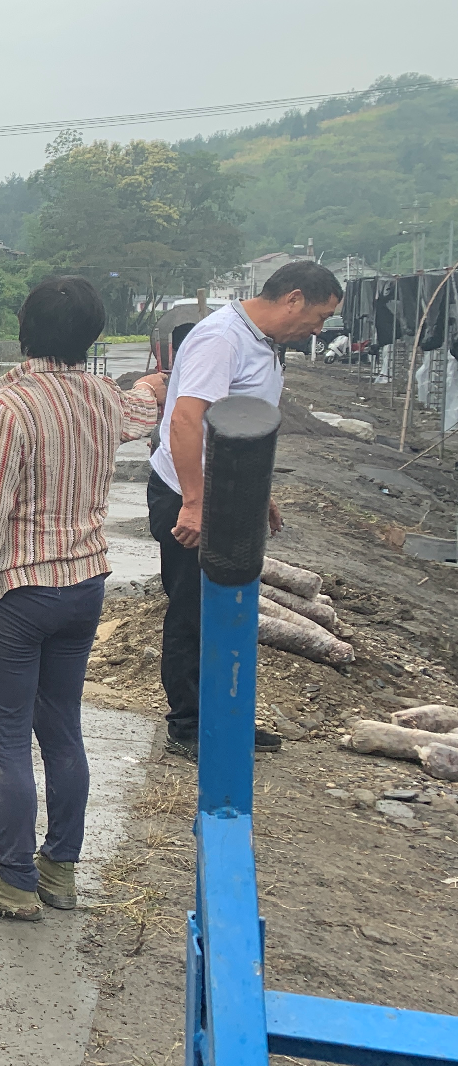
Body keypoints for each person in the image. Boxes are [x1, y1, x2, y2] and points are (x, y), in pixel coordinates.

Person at [0, 276, 167, 921]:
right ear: (92, 335)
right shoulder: (100, 397)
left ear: (25, 328)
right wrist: (156, 380)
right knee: (62, 729)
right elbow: (143, 408)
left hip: (17, 595)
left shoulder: (12, 406)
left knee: (5, 738)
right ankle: (58, 872)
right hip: (84, 589)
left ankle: (13, 884)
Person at [147, 260, 342, 760]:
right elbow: (187, 420)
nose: (318, 330)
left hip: (230, 494)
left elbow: (242, 428)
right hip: (189, 495)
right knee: (192, 609)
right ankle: (187, 725)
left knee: (230, 608)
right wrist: (193, 502)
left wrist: (258, 490)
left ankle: (225, 717)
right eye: (319, 317)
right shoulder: (223, 339)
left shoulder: (266, 344)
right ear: (293, 298)